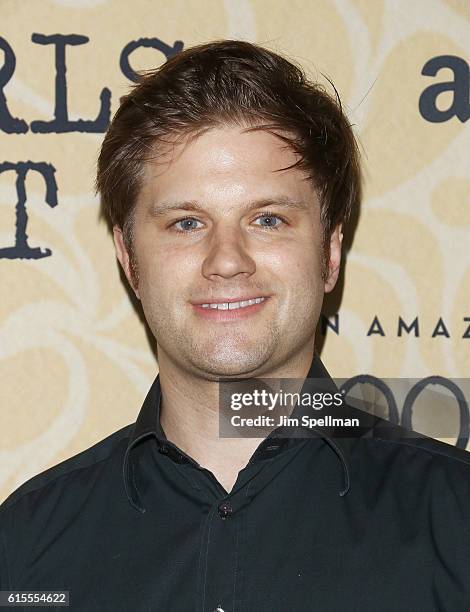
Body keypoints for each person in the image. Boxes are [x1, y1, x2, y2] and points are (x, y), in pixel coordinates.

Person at [1, 39, 469, 612]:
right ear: (128, 258)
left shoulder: (456, 519)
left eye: (268, 219)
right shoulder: (25, 548)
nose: (227, 259)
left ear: (330, 254)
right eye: (186, 222)